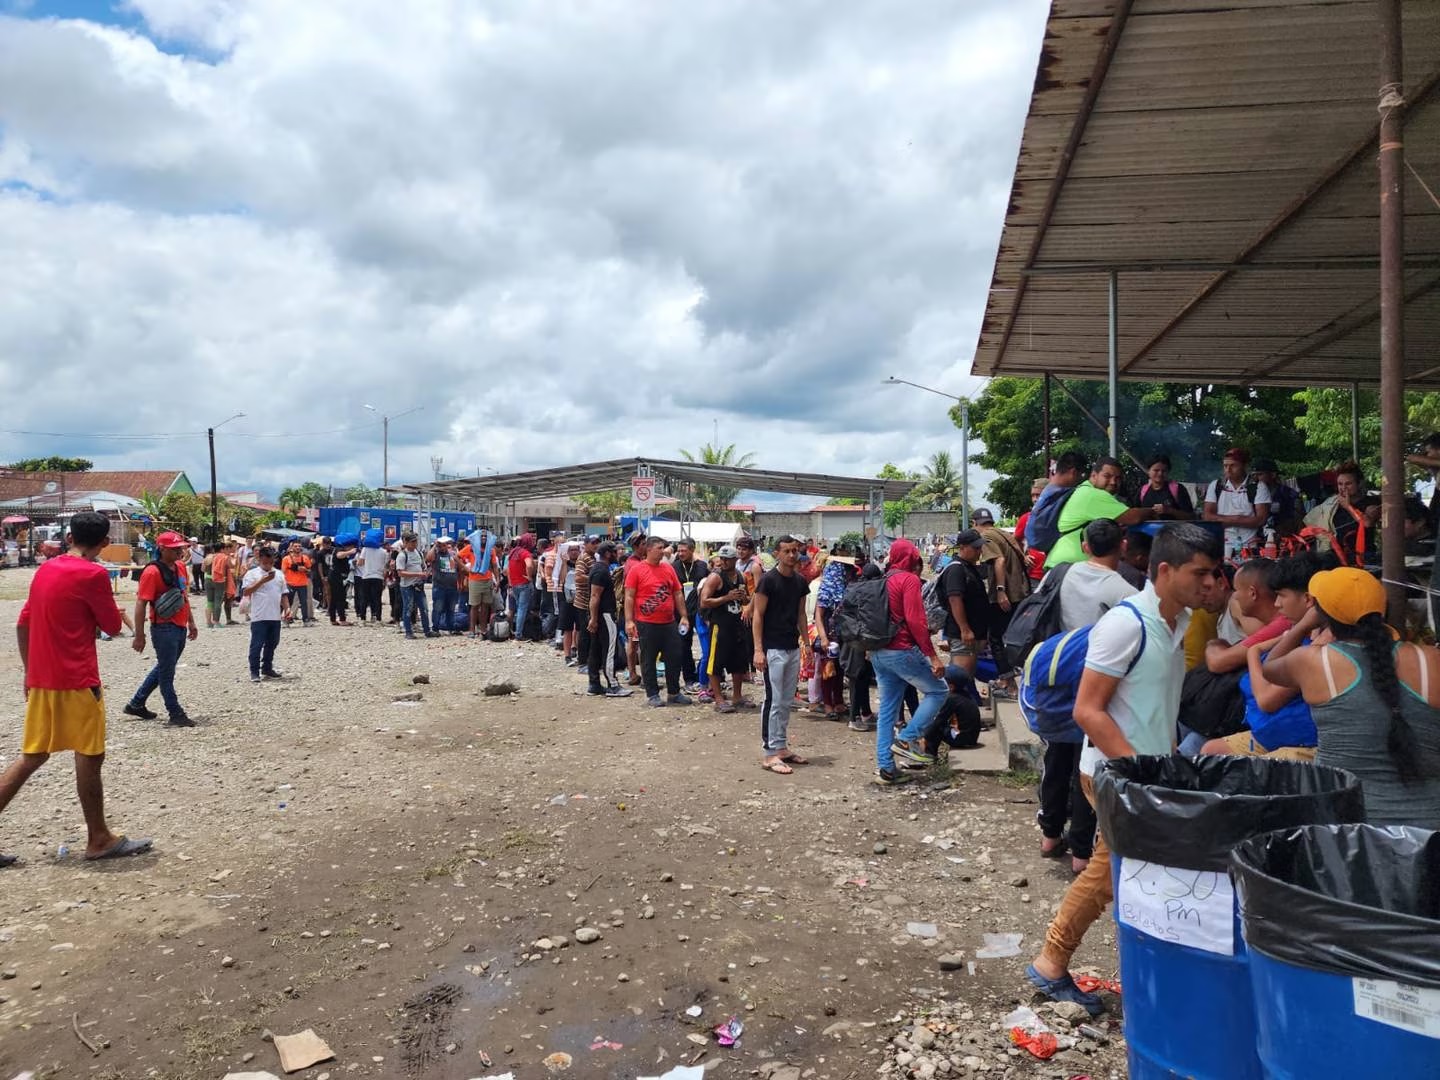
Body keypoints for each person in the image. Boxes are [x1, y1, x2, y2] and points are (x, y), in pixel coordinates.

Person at [1027, 522, 1221, 1014]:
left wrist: (1167, 758)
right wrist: (1137, 772)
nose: (1210, 584)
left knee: (1115, 869)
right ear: (1163, 570)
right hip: (1116, 774)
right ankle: (1052, 962)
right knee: (1109, 871)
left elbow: (1155, 704)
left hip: (1147, 771)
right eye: (1200, 573)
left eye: (1214, 574)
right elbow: (1087, 710)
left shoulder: (1176, 624)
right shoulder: (1126, 623)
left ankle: (1115, 965)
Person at [3, 511, 152, 866]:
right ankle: (98, 838)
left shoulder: (46, 569)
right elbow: (112, 627)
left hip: (41, 678)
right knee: (89, 754)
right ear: (104, 543)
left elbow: (24, 623)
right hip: (77, 678)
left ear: (69, 538)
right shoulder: (94, 573)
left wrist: (28, 672)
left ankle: (99, 836)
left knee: (32, 756)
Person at [1261, 566, 1440, 829]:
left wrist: (1302, 627)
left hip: (1347, 830)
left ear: (1322, 615)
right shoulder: (1430, 659)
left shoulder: (1313, 661)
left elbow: (1270, 667)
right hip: (1430, 827)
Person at [1039, 519, 1140, 873]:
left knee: (1057, 756)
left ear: (1085, 546)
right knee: (1089, 764)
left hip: (1058, 672)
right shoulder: (1126, 591)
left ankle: (1050, 835)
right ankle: (1081, 854)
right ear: (1122, 546)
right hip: (1098, 680)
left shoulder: (1062, 574)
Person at [869, 538, 949, 786]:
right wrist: (932, 655)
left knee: (888, 710)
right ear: (912, 557)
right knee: (939, 691)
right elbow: (916, 621)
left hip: (878, 652)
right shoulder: (908, 580)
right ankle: (907, 738)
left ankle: (886, 767)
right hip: (901, 650)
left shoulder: (882, 579)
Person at [124, 530, 199, 727]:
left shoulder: (180, 567)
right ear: (162, 549)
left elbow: (183, 595)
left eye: (180, 548)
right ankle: (176, 713)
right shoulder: (151, 572)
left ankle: (136, 703)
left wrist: (191, 622)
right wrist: (139, 635)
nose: (179, 552)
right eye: (174, 549)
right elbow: (141, 604)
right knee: (167, 673)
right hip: (163, 628)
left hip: (179, 626)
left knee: (165, 667)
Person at [752, 536, 811, 773]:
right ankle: (769, 753)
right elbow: (758, 615)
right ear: (777, 553)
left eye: (795, 551)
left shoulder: (799, 581)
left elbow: (801, 615)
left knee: (786, 700)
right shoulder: (768, 581)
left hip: (792, 647)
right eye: (786, 551)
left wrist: (806, 643)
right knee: (773, 700)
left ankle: (781, 747)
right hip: (772, 648)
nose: (791, 555)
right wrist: (758, 649)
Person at [1045, 457, 1159, 569]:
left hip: (1061, 564)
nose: (1113, 482)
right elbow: (1133, 517)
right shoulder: (1093, 495)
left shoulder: (1083, 490)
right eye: (1107, 476)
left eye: (1118, 478)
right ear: (1094, 476)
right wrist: (1152, 511)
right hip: (1068, 566)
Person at [625, 537, 691, 708]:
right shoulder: (637, 570)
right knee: (648, 659)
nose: (663, 551)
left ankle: (674, 692)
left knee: (674, 657)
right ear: (649, 549)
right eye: (659, 548)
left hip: (669, 622)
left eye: (663, 548)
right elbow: (629, 596)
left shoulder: (668, 569)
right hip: (646, 623)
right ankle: (652, 694)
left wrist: (684, 616)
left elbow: (677, 593)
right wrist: (629, 621)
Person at [699, 545, 750, 714]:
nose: (724, 562)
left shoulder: (740, 576)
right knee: (716, 662)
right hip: (719, 625)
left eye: (728, 559)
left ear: (735, 560)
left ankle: (737, 696)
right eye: (722, 559)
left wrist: (744, 599)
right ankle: (719, 698)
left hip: (736, 625)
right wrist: (725, 598)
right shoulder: (715, 577)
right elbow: (704, 601)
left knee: (739, 662)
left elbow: (746, 600)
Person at [1202, 447, 1272, 559]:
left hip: (1250, 547)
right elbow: (1207, 516)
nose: (1228, 470)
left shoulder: (1258, 487)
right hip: (1221, 545)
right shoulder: (1216, 486)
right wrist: (1240, 519)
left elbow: (1261, 519)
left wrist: (1224, 520)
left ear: (1244, 466)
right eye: (1225, 466)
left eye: (1233, 465)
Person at [938, 530, 990, 677]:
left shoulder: (968, 567)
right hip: (962, 635)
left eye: (980, 547)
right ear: (962, 547)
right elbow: (955, 599)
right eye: (975, 548)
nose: (979, 551)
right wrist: (965, 629)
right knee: (961, 678)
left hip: (971, 633)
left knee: (965, 677)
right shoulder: (956, 569)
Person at [586, 541, 631, 697]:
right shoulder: (601, 571)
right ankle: (613, 685)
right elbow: (595, 596)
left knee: (596, 649)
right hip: (605, 615)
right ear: (607, 553)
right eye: (614, 551)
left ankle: (594, 684)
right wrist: (593, 618)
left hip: (599, 615)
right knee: (609, 649)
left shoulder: (599, 569)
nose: (617, 554)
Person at [1303, 461, 1368, 566]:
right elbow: (1312, 522)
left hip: (1361, 557)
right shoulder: (1332, 503)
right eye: (1340, 484)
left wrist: (1348, 507)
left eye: (1348, 484)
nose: (1343, 488)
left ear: (1359, 483)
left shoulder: (1369, 502)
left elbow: (1366, 523)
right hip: (1334, 556)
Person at [241, 546, 286, 682]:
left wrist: (287, 608)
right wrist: (262, 580)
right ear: (259, 559)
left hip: (275, 615)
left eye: (271, 562)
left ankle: (267, 667)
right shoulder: (252, 574)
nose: (268, 565)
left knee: (273, 642)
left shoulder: (279, 574)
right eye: (265, 562)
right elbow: (246, 592)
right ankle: (254, 671)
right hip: (259, 616)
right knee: (257, 644)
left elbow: (284, 593)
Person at [669, 538, 709, 692]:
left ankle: (706, 677)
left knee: (706, 645)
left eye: (684, 551)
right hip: (681, 613)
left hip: (698, 612)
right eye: (679, 551)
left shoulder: (702, 566)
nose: (680, 553)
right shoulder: (674, 567)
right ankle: (689, 678)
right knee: (684, 646)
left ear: (692, 550)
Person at [395, 532, 436, 639]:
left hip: (419, 585)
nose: (414, 544)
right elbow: (400, 573)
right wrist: (418, 574)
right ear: (406, 542)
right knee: (408, 608)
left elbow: (423, 566)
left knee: (424, 609)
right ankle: (408, 632)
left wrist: (425, 573)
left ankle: (427, 631)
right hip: (407, 586)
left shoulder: (419, 553)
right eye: (412, 542)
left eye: (415, 542)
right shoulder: (402, 555)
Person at [571, 535, 599, 672]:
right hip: (583, 602)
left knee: (589, 632)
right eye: (593, 543)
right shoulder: (583, 558)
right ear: (586, 544)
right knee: (585, 632)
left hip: (589, 601)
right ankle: (582, 662)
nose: (596, 545)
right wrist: (594, 579)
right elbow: (578, 577)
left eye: (597, 543)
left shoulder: (592, 558)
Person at [1136, 455, 1194, 520]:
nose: (1160, 473)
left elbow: (1190, 516)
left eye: (1164, 471)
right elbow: (1133, 514)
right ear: (1148, 471)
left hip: (1174, 529)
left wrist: (1169, 511)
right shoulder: (1142, 491)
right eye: (1156, 470)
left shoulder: (1178, 489)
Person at [506, 534, 537, 642]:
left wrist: (510, 583)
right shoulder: (525, 553)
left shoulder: (513, 552)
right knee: (522, 609)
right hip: (524, 583)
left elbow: (508, 570)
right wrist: (529, 576)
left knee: (518, 608)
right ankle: (519, 634)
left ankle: (515, 631)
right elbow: (529, 565)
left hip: (514, 584)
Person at [428, 536, 462, 634]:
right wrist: (435, 545)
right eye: (441, 545)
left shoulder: (452, 554)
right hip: (439, 586)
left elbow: (459, 569)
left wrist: (459, 583)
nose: (443, 547)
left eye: (445, 545)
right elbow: (428, 558)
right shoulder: (436, 554)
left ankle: (451, 627)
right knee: (438, 608)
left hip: (452, 586)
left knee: (451, 609)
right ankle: (435, 628)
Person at [352, 535, 388, 625]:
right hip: (378, 577)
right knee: (377, 599)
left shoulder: (365, 549)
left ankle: (363, 618)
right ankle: (377, 618)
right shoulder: (384, 552)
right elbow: (385, 567)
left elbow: (360, 563)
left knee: (364, 598)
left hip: (366, 576)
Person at [281, 540, 315, 625]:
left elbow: (310, 570)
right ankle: (286, 619)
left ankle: (306, 620)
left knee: (304, 602)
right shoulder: (286, 559)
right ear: (292, 547)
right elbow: (283, 571)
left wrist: (305, 570)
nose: (298, 548)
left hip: (302, 584)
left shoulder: (305, 558)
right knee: (288, 603)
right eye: (296, 546)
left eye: (299, 546)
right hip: (290, 583)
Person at [327, 536, 356, 626]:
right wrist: (350, 552)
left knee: (334, 598)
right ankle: (342, 619)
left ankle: (333, 618)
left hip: (336, 577)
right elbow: (339, 555)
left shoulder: (337, 549)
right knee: (340, 598)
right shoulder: (338, 550)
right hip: (337, 577)